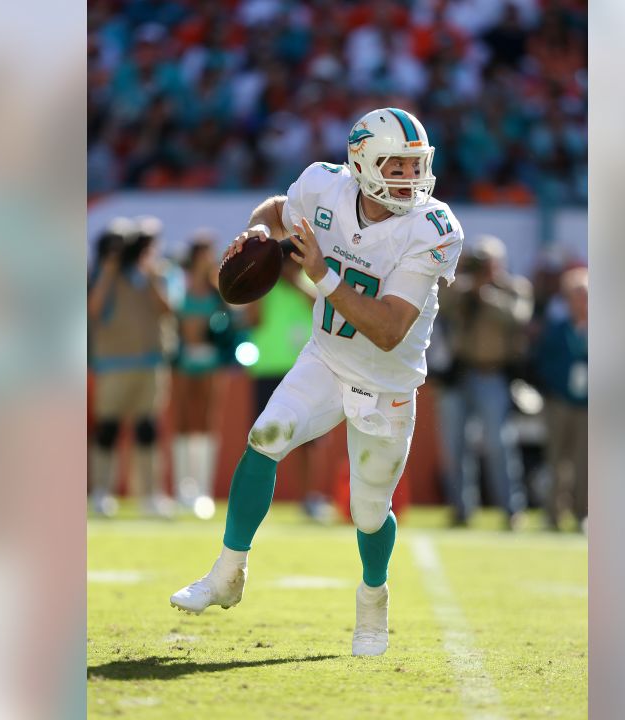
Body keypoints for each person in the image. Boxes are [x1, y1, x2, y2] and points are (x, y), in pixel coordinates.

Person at [170, 108, 463, 657]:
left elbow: (388, 328)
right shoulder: (323, 185)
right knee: (266, 437)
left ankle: (372, 601)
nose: (407, 176)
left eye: (414, 164)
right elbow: (278, 210)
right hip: (325, 359)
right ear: (361, 164)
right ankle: (227, 572)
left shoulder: (433, 227)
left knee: (370, 511)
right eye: (394, 164)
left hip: (387, 380)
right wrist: (258, 231)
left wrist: (322, 273)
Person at [88, 216, 174, 518]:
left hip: (149, 361)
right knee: (108, 428)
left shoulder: (154, 273)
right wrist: (109, 271)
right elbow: (94, 310)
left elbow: (167, 309)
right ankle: (101, 491)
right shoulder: (100, 274)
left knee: (147, 428)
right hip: (113, 361)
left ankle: (149, 494)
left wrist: (149, 273)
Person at [447, 235, 533, 529]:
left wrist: (486, 293)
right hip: (461, 374)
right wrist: (460, 278)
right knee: (456, 445)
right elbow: (441, 306)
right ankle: (461, 509)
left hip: (494, 374)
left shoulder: (514, 288)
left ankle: (511, 509)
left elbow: (518, 317)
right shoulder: (462, 286)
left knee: (499, 444)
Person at [243, 259, 336, 523]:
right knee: (262, 441)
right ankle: (256, 501)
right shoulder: (265, 289)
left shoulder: (311, 285)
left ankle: (310, 499)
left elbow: (325, 310)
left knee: (310, 441)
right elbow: (252, 320)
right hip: (268, 371)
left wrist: (296, 283)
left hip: (305, 371)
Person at [170, 232, 225, 520]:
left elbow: (232, 315)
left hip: (210, 359)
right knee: (181, 419)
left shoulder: (217, 288)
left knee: (205, 419)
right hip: (181, 359)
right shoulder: (178, 284)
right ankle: (183, 488)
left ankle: (203, 490)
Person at [535, 266, 588, 530]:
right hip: (560, 402)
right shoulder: (557, 329)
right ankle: (553, 514)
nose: (584, 302)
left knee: (586, 461)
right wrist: (558, 386)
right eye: (578, 295)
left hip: (589, 405)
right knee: (557, 460)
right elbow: (543, 363)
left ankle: (583, 514)